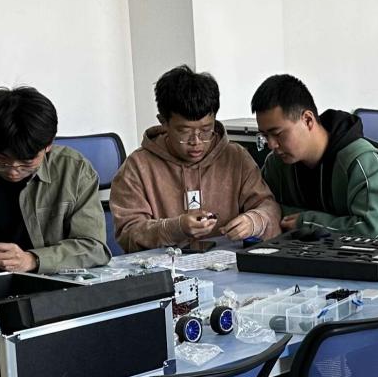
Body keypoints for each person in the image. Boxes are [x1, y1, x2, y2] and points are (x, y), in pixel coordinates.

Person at [110, 66, 281, 253]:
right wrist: (175, 228)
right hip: (165, 267)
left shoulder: (236, 158)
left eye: (206, 130)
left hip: (229, 265)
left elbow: (269, 208)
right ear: (163, 122)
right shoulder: (137, 167)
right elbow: (128, 233)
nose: (196, 142)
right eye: (184, 131)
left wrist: (254, 221)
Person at [0, 87, 110, 274]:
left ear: (48, 145)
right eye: (0, 158)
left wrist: (32, 260)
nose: (13, 171)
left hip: (53, 285)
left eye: (26, 163)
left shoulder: (74, 170)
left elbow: (94, 248)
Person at [251, 74, 378, 239]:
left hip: (375, 255)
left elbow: (376, 231)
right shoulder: (276, 164)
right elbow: (261, 208)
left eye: (278, 134)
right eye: (265, 136)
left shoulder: (359, 160)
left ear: (308, 120)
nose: (271, 145)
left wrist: (306, 221)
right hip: (305, 253)